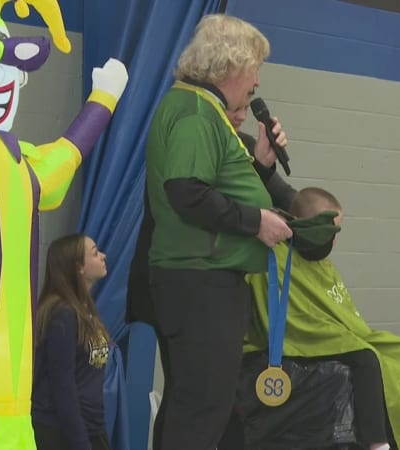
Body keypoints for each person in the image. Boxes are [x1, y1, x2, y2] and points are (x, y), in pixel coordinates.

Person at [143, 14, 293, 450]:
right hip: (199, 279)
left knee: (198, 406)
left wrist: (261, 165)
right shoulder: (195, 112)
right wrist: (256, 222)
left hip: (199, 279)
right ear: (232, 66)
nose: (257, 81)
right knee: (201, 411)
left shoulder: (201, 108)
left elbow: (208, 184)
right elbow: (186, 190)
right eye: (256, 69)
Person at [245, 187, 400, 450]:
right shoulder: (275, 257)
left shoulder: (322, 264)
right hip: (303, 336)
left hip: (341, 331)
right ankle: (378, 443)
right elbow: (286, 316)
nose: (335, 241)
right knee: (366, 358)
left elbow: (343, 315)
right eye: (333, 232)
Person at [32, 234, 111, 450]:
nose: (103, 256)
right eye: (95, 253)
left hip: (91, 428)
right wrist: (80, 442)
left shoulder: (85, 311)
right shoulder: (62, 315)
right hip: (62, 433)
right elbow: (62, 386)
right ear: (79, 268)